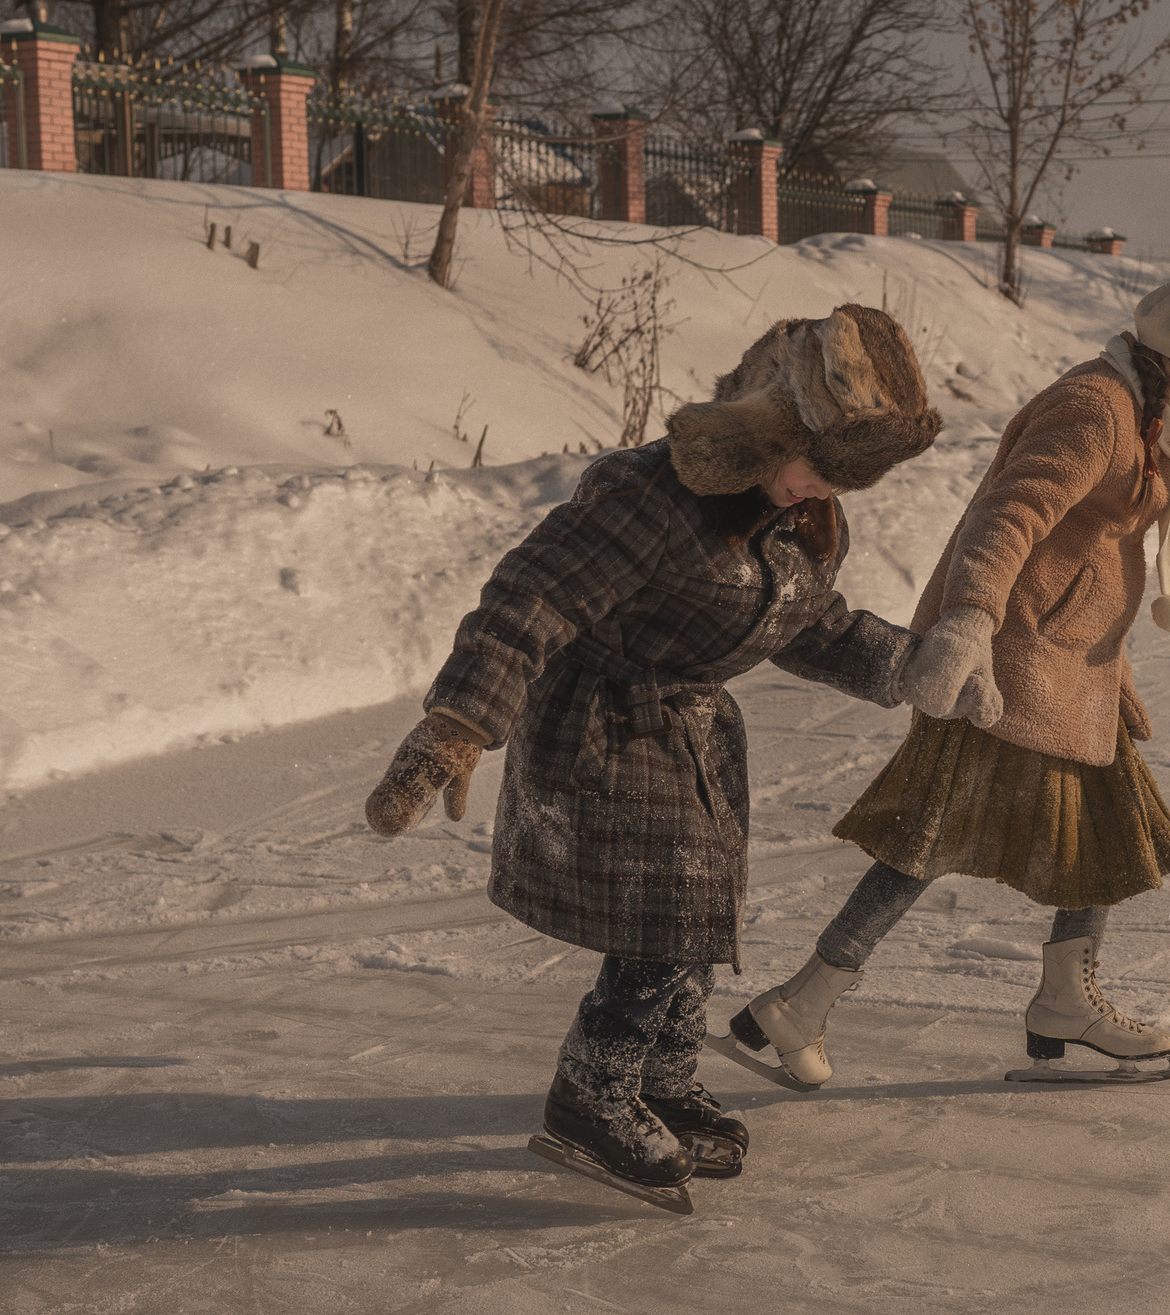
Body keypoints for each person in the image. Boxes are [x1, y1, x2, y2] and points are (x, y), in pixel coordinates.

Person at [362, 305, 977, 1213]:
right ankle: (593, 1093)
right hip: (602, 720)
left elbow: (809, 624)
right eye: (817, 467)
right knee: (665, 912)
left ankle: (661, 1078)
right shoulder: (649, 497)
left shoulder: (797, 519)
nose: (819, 492)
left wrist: (910, 664)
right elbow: (532, 598)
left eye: (841, 481)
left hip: (690, 730)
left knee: (695, 914)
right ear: (773, 425)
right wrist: (457, 722)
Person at [717, 273, 1170, 1089]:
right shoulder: (1095, 409)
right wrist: (970, 621)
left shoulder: (1138, 414)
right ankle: (800, 1005)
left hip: (1068, 669)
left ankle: (1056, 1002)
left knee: (1096, 833)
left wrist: (1111, 676)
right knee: (931, 837)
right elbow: (1007, 516)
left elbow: (1092, 557)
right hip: (1010, 669)